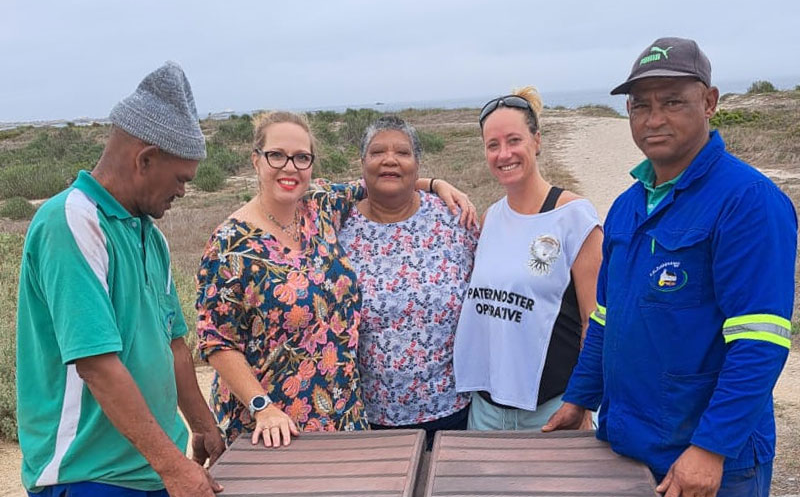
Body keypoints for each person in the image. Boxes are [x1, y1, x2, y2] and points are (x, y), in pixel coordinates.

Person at [544, 38, 796, 497]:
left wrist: (709, 450)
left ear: (710, 104)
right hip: (632, 450)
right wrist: (578, 396)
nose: (655, 119)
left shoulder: (748, 204)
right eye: (642, 104)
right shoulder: (629, 205)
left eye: (674, 103)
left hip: (706, 459)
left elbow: (759, 345)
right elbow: (606, 316)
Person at [17, 63, 227, 497]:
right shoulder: (69, 223)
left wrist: (201, 426)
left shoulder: (148, 232)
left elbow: (173, 344)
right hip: (88, 478)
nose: (180, 192)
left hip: (148, 466)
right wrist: (175, 467)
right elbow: (98, 366)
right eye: (179, 178)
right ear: (144, 157)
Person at [196, 111, 474, 448]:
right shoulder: (230, 243)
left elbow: (384, 180)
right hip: (273, 428)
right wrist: (262, 407)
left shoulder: (320, 207)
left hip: (344, 418)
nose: (289, 167)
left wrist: (435, 184)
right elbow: (215, 340)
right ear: (256, 160)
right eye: (276, 155)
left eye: (301, 157)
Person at [453, 87, 602, 430]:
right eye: (493, 145)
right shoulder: (490, 218)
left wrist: (582, 402)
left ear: (537, 141)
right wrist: (433, 183)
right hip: (486, 410)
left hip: (551, 411)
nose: (504, 154)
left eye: (514, 140)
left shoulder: (574, 217)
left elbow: (593, 321)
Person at [338, 115, 477, 448]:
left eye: (402, 152)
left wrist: (435, 185)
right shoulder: (336, 228)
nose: (389, 159)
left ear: (417, 165)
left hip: (452, 409)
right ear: (361, 163)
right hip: (370, 417)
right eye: (377, 152)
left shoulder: (453, 219)